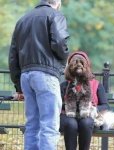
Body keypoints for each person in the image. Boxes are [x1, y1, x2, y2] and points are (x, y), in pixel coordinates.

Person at [8, 0, 69, 149]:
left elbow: (13, 56)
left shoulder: (22, 20)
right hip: (46, 75)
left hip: (26, 77)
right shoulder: (55, 15)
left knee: (32, 125)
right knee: (49, 124)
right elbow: (60, 44)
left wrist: (18, 85)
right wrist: (63, 62)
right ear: (58, 2)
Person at [60, 51, 114, 150]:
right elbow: (58, 104)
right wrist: (71, 106)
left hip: (88, 115)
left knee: (86, 123)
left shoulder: (97, 85)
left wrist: (92, 108)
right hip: (68, 115)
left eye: (81, 63)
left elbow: (106, 105)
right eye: (74, 63)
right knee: (71, 124)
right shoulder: (65, 85)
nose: (78, 66)